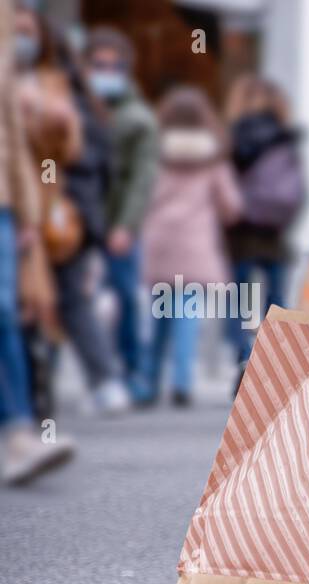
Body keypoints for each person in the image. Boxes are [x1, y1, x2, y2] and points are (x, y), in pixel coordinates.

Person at [14, 6, 126, 418]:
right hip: (52, 213)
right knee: (38, 302)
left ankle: (77, 386)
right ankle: (41, 391)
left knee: (56, 301)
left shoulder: (65, 96)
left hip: (62, 216)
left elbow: (87, 160)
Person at [0, 0, 74, 485]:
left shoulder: (43, 80)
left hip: (12, 204)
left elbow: (14, 142)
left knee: (10, 309)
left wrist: (27, 212)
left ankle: (20, 430)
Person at [138, 88, 242, 407]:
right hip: (195, 244)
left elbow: (141, 197)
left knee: (158, 318)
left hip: (160, 242)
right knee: (186, 317)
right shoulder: (212, 158)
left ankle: (148, 381)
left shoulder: (154, 154)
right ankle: (182, 382)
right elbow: (232, 206)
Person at [84, 27, 158, 403]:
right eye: (98, 65)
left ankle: (132, 373)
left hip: (115, 224)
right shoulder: (76, 110)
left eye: (112, 66)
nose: (104, 73)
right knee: (72, 303)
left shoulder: (137, 119)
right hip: (77, 222)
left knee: (126, 298)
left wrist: (126, 226)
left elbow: (142, 179)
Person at [223, 76, 305, 388]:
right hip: (274, 235)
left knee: (241, 303)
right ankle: (272, 362)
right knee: (276, 301)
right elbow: (297, 192)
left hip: (241, 235)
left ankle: (244, 357)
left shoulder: (231, 139)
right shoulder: (286, 138)